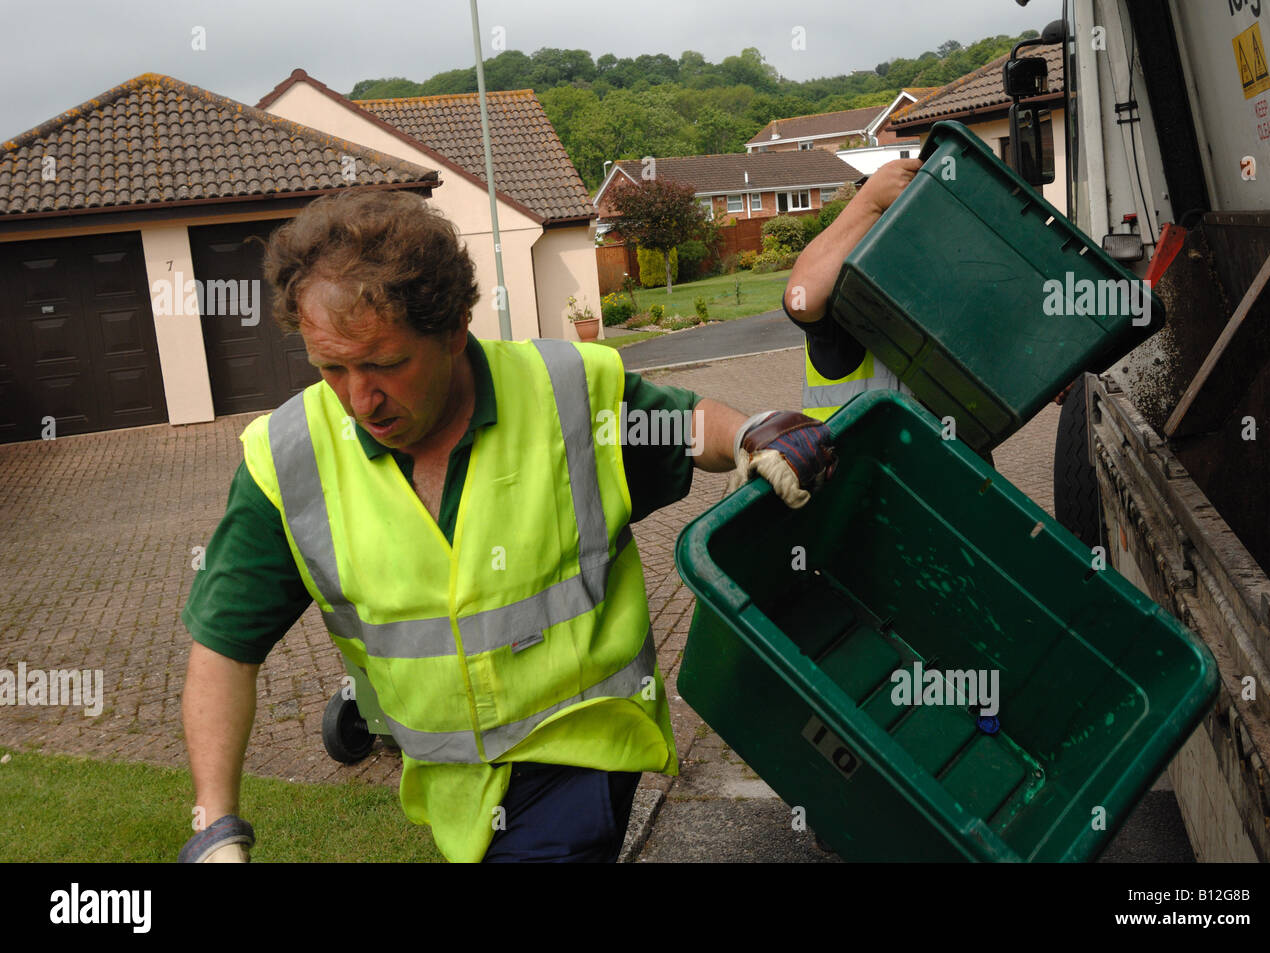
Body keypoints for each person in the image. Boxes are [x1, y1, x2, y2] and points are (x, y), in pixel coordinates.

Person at [178, 189, 837, 864]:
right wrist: (215, 829)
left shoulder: (563, 393)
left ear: (455, 327)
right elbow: (224, 644)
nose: (359, 398)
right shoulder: (287, 460)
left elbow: (686, 422)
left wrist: (755, 432)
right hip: (453, 786)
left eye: (385, 364)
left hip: (582, 746)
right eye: (331, 368)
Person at [785, 159, 923, 421]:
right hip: (855, 456)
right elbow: (800, 299)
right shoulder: (852, 298)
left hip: (950, 459)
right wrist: (870, 202)